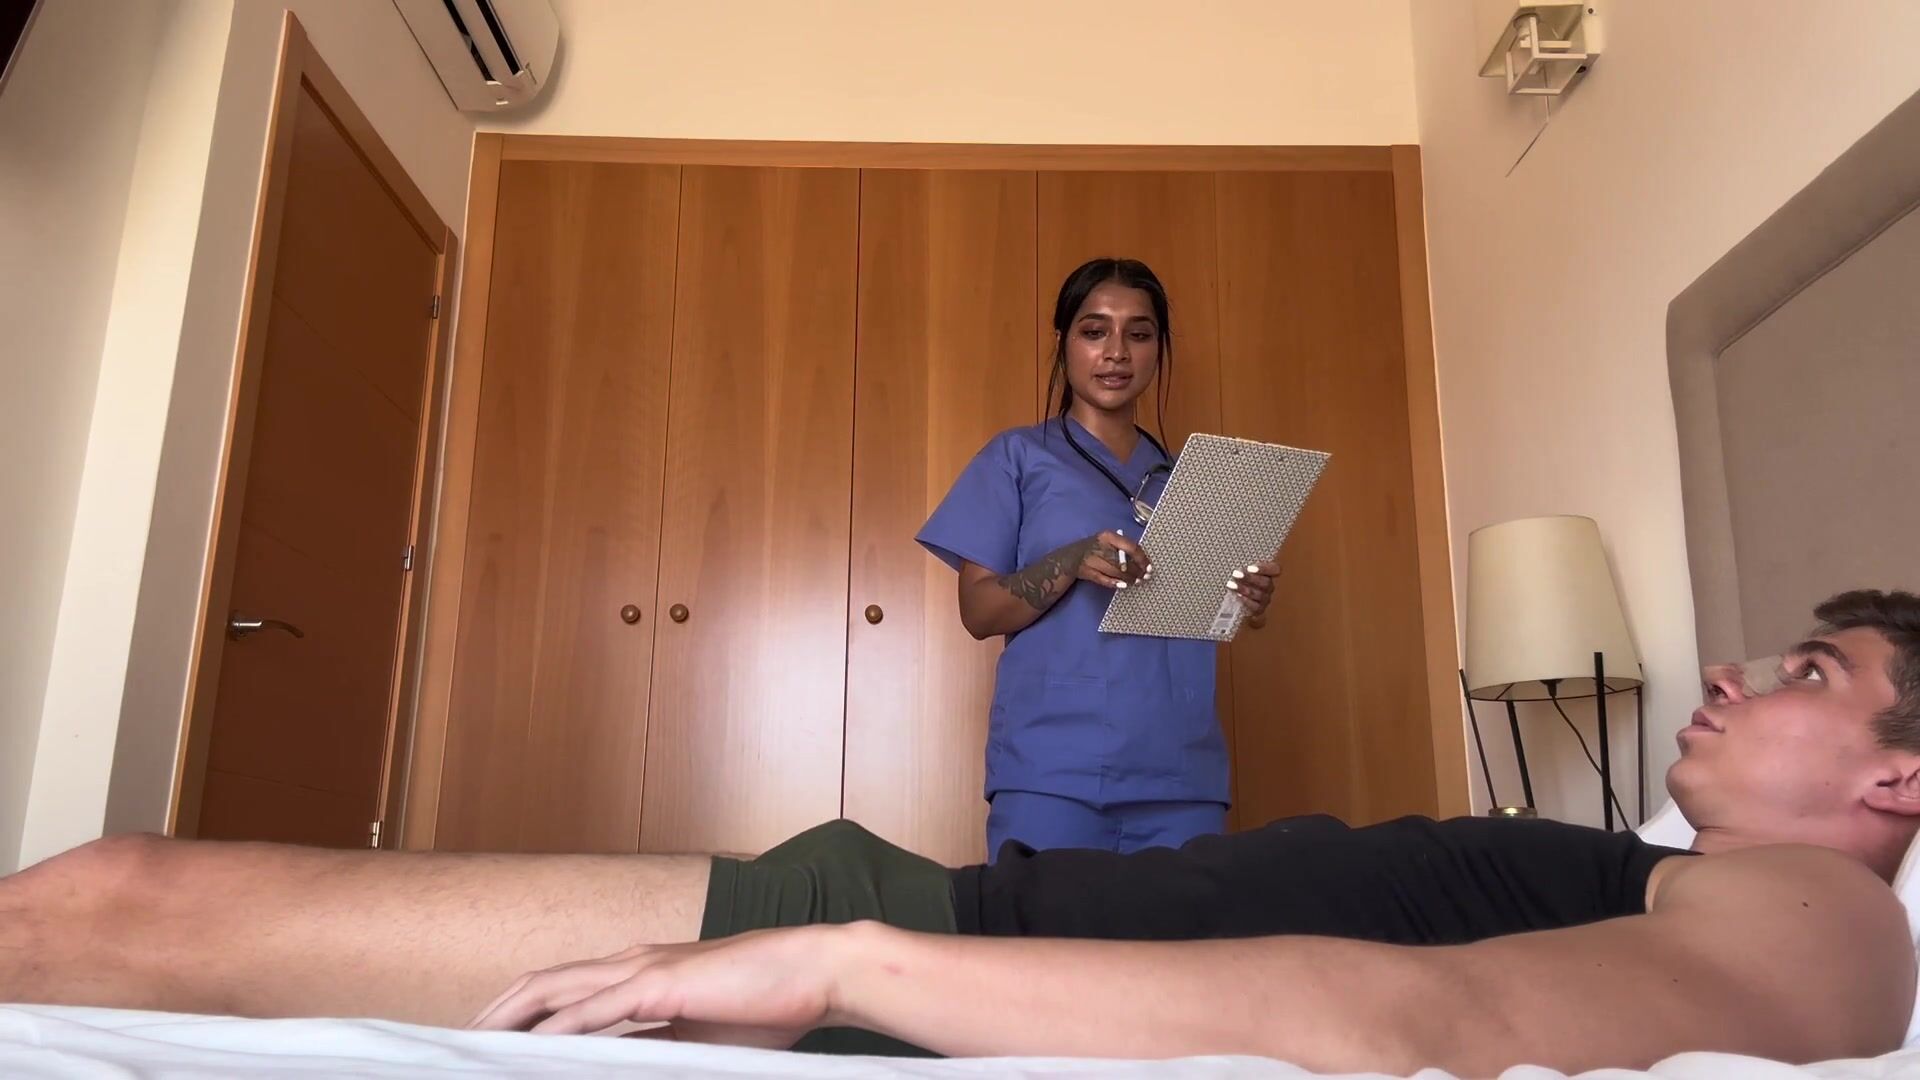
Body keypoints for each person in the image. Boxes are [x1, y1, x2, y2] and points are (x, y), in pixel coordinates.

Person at [4, 588, 1919, 1076]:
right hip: (936, 908)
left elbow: (1438, 1029)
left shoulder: (1829, 923)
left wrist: (856, 964)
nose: (1740, 672)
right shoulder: (1680, 877)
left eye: (1815, 673)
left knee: (122, 907)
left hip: (919, 946)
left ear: (1902, 786)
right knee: (110, 905)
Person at [916, 257, 1281, 857]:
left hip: (1180, 776)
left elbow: (1213, 617)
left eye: (1139, 334)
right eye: (1095, 331)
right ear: (1064, 343)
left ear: (1159, 350)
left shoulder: (1194, 481)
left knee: (1180, 922)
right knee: (1046, 919)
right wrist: (1069, 562)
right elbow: (978, 613)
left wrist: (1250, 600)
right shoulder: (1017, 458)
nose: (1116, 352)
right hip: (1051, 773)